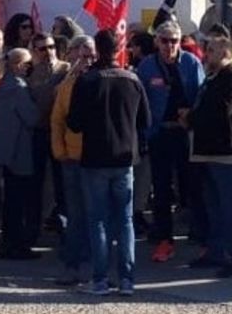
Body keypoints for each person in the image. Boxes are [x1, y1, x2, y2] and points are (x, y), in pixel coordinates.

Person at [67, 29, 149, 296]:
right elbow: (145, 121)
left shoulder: (87, 81)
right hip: (125, 157)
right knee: (125, 220)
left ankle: (100, 279)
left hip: (95, 158)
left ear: (98, 50)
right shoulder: (133, 80)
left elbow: (74, 123)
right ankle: (127, 278)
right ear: (118, 49)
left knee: (98, 220)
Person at [135, 20, 204, 263]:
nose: (169, 45)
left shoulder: (191, 63)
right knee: (162, 188)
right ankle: (164, 238)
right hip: (160, 133)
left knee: (191, 186)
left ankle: (199, 234)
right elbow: (140, 102)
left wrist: (192, 118)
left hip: (185, 133)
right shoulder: (146, 66)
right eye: (164, 40)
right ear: (156, 42)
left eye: (174, 40)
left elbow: (200, 95)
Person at [186, 30, 232, 279]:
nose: (206, 54)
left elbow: (221, 111)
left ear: (225, 52)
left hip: (227, 152)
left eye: (211, 50)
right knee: (213, 206)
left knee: (230, 207)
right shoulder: (212, 77)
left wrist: (190, 118)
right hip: (207, 152)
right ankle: (216, 251)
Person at [49, 34, 94, 284]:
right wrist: (61, 152)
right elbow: (57, 120)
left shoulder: (100, 79)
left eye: (91, 55)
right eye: (84, 55)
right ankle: (74, 261)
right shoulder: (68, 83)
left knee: (94, 212)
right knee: (76, 212)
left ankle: (91, 260)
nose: (88, 60)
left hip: (96, 157)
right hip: (72, 158)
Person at [0, 47, 39, 260]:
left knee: (10, 200)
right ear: (18, 64)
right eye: (28, 64)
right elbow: (32, 118)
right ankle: (17, 245)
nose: (30, 69)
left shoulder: (2, 86)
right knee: (18, 202)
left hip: (6, 153)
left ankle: (9, 243)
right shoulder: (18, 88)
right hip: (20, 151)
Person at [28, 31, 71, 235]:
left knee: (61, 182)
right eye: (43, 48)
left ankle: (64, 226)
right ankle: (34, 226)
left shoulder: (65, 69)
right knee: (35, 182)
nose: (49, 52)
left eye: (52, 47)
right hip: (37, 132)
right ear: (34, 51)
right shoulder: (29, 73)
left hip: (59, 132)